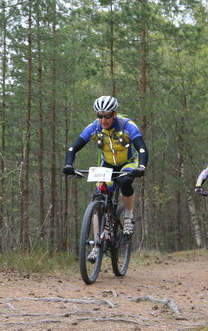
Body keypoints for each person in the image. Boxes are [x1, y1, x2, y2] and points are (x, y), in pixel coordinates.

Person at [62, 96, 149, 235]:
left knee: (124, 181)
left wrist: (142, 167)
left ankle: (128, 216)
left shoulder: (127, 125)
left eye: (107, 116)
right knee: (98, 196)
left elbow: (142, 149)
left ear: (114, 114)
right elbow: (73, 147)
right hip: (107, 164)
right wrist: (68, 165)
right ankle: (98, 240)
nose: (103, 120)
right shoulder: (94, 127)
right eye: (100, 116)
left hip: (129, 162)